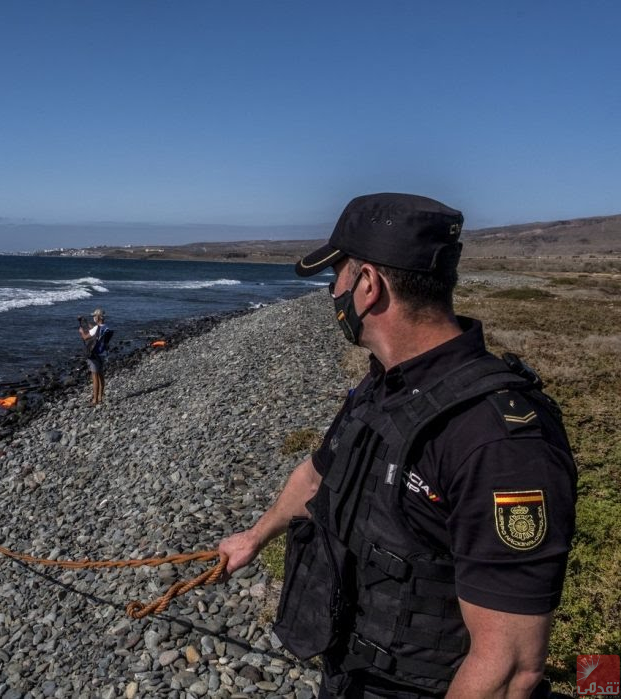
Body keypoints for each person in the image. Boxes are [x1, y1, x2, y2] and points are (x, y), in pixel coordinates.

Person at [218, 193, 577, 699]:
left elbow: (509, 667)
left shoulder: (498, 441)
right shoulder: (386, 385)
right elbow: (317, 475)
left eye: (338, 275)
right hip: (351, 670)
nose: (333, 291)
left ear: (368, 285)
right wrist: (254, 537)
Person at [79, 308, 111, 405]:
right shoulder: (106, 327)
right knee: (101, 375)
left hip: (94, 355)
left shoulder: (96, 329)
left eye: (94, 316)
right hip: (102, 353)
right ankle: (100, 397)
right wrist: (90, 326)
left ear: (98, 317)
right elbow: (97, 331)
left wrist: (81, 331)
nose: (93, 317)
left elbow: (85, 337)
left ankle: (95, 400)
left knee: (95, 377)